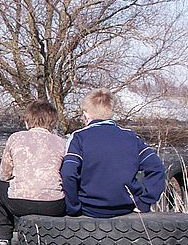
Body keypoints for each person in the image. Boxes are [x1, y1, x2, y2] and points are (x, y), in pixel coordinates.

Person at [60, 88, 165, 218]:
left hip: (89, 208)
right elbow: (157, 168)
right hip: (126, 207)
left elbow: (68, 173)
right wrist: (144, 202)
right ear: (110, 112)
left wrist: (73, 207)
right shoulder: (130, 137)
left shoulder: (78, 137)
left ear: (86, 114)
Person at [0, 100, 66, 245]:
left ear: (27, 121)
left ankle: (2, 241)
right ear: (53, 122)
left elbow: (5, 174)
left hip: (20, 203)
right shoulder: (62, 142)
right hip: (54, 205)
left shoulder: (15, 138)